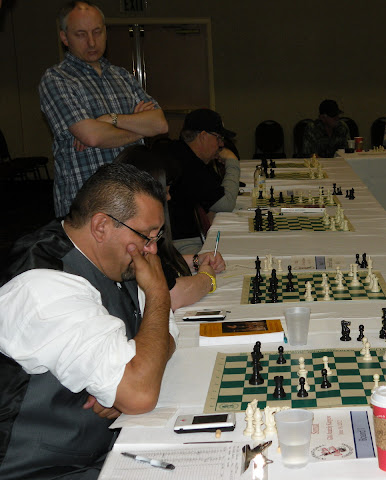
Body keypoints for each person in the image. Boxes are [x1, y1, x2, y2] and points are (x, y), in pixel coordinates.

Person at [0, 163, 178, 479]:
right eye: (146, 236)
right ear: (101, 226)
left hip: (101, 450)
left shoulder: (115, 257)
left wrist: (129, 372)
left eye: (157, 236)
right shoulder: (43, 286)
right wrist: (158, 294)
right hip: (39, 469)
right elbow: (140, 394)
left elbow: (168, 329)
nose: (152, 249)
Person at [39, 1, 168, 218]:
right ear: (64, 38)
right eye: (81, 34)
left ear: (105, 32)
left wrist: (111, 119)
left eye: (97, 32)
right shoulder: (57, 79)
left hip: (133, 202)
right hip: (87, 207)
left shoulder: (123, 76)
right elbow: (92, 136)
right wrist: (140, 129)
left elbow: (160, 124)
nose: (91, 42)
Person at [116, 144, 226, 310]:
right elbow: (171, 295)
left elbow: (163, 262)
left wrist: (197, 260)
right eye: (165, 191)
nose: (168, 197)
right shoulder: (134, 235)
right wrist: (207, 278)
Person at [161, 108, 240, 254]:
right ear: (203, 136)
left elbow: (218, 193)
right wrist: (232, 161)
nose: (221, 144)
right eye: (218, 138)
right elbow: (225, 204)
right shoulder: (189, 163)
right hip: (181, 245)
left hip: (183, 239)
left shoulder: (184, 154)